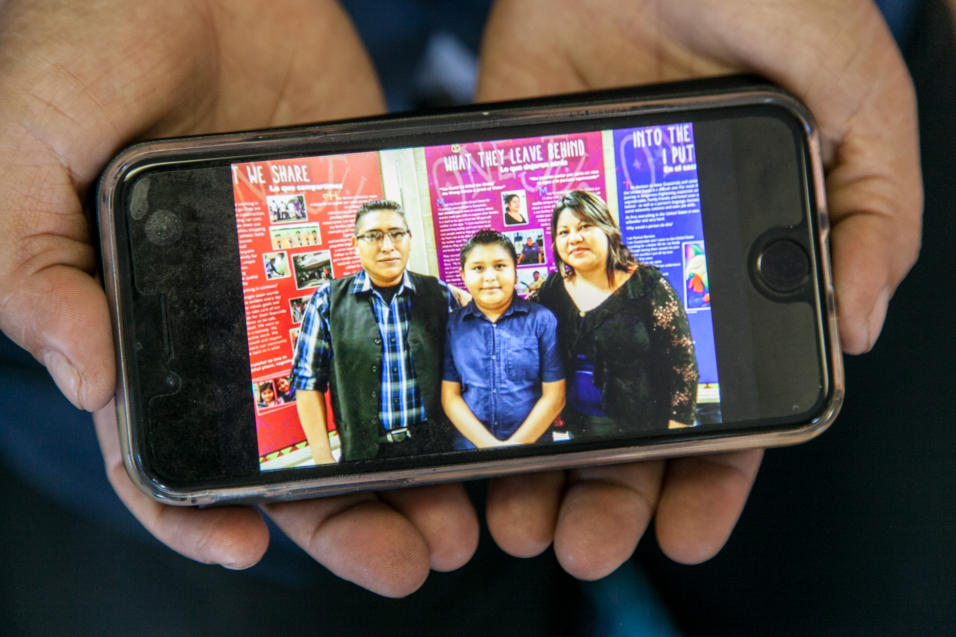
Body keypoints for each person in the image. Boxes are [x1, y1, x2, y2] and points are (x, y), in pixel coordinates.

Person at [0, 0, 922, 600]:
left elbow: (616, 372)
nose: (403, 251)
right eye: (377, 237)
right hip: (359, 488)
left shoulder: (542, 301)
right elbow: (327, 382)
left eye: (401, 235)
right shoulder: (361, 302)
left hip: (523, 457)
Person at [291, 200, 459, 464]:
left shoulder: (439, 294)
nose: (388, 246)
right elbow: (307, 382)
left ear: (409, 238)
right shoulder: (328, 301)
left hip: (437, 448)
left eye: (396, 234)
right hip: (365, 455)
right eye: (373, 236)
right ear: (355, 243)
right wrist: (323, 459)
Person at [533, 190, 697, 438]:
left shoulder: (648, 286)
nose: (574, 238)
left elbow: (683, 365)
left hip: (646, 432)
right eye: (563, 232)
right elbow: (512, 314)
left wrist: (676, 436)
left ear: (607, 229)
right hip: (581, 432)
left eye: (585, 226)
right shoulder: (552, 290)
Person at [442, 230, 565, 448]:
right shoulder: (454, 324)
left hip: (531, 450)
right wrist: (489, 447)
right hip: (472, 451)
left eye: (500, 266)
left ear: (515, 273)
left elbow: (554, 397)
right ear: (463, 275)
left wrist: (515, 448)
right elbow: (450, 397)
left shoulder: (542, 320)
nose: (490, 277)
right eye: (478, 268)